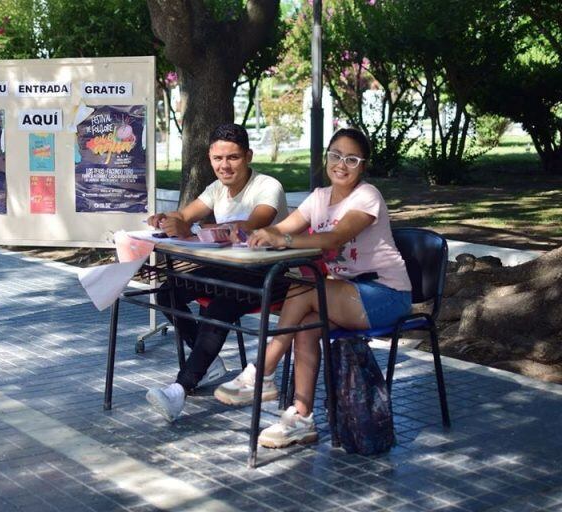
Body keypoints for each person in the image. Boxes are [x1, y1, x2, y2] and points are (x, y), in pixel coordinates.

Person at [213, 127, 412, 448]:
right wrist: (255, 234)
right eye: (336, 156)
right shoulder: (319, 198)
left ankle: (261, 373)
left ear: (363, 165)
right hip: (344, 294)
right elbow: (280, 228)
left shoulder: (367, 196)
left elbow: (334, 238)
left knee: (304, 289)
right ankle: (301, 418)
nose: (341, 165)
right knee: (306, 324)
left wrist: (284, 239)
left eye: (352, 159)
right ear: (326, 158)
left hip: (386, 295)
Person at [145, 123, 288, 422]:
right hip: (228, 270)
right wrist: (165, 219)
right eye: (218, 159)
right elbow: (185, 215)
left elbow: (251, 225)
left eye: (233, 157)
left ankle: (180, 389)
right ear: (210, 158)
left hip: (272, 274)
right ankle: (206, 362)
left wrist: (191, 228)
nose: (225, 166)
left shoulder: (267, 186)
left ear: (248, 156)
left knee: (222, 304)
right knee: (167, 292)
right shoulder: (215, 189)